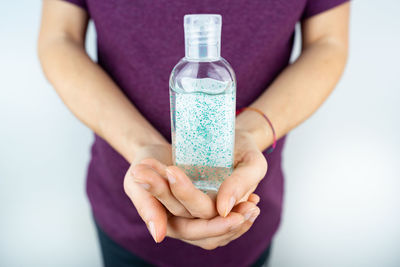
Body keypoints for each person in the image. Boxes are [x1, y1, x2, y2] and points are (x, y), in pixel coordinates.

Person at [38, 0, 350, 266]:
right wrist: (143, 145)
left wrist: (248, 135)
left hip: (246, 209)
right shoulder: (184, 73)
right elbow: (59, 36)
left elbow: (328, 41)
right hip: (127, 214)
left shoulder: (219, 72)